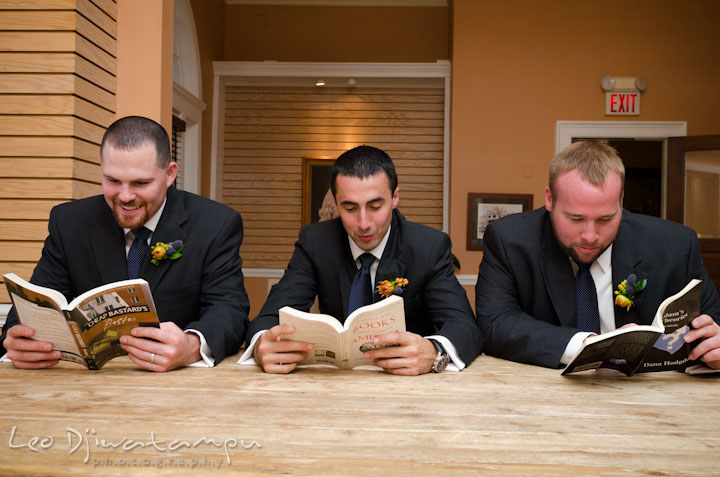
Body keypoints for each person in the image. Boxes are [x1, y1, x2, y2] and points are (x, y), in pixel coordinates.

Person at [1, 116, 250, 371]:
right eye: (113, 181)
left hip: (179, 387)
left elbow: (229, 309)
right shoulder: (69, 222)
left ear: (170, 174)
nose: (125, 196)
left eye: (140, 183)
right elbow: (39, 301)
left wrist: (191, 345)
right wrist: (18, 340)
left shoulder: (215, 224)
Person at [475, 140, 720, 369]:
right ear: (550, 199)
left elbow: (712, 318)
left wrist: (714, 342)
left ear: (621, 201)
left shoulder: (675, 245)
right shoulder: (510, 240)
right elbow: (495, 323)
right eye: (575, 218)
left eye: (605, 219)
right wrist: (591, 346)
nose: (590, 236)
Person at [240, 145, 481, 375]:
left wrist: (434, 351)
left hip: (408, 383)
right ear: (335, 203)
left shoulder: (428, 246)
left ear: (394, 198)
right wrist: (262, 345)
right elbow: (271, 316)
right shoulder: (316, 242)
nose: (364, 223)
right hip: (334, 381)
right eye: (350, 208)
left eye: (375, 206)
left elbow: (464, 326)